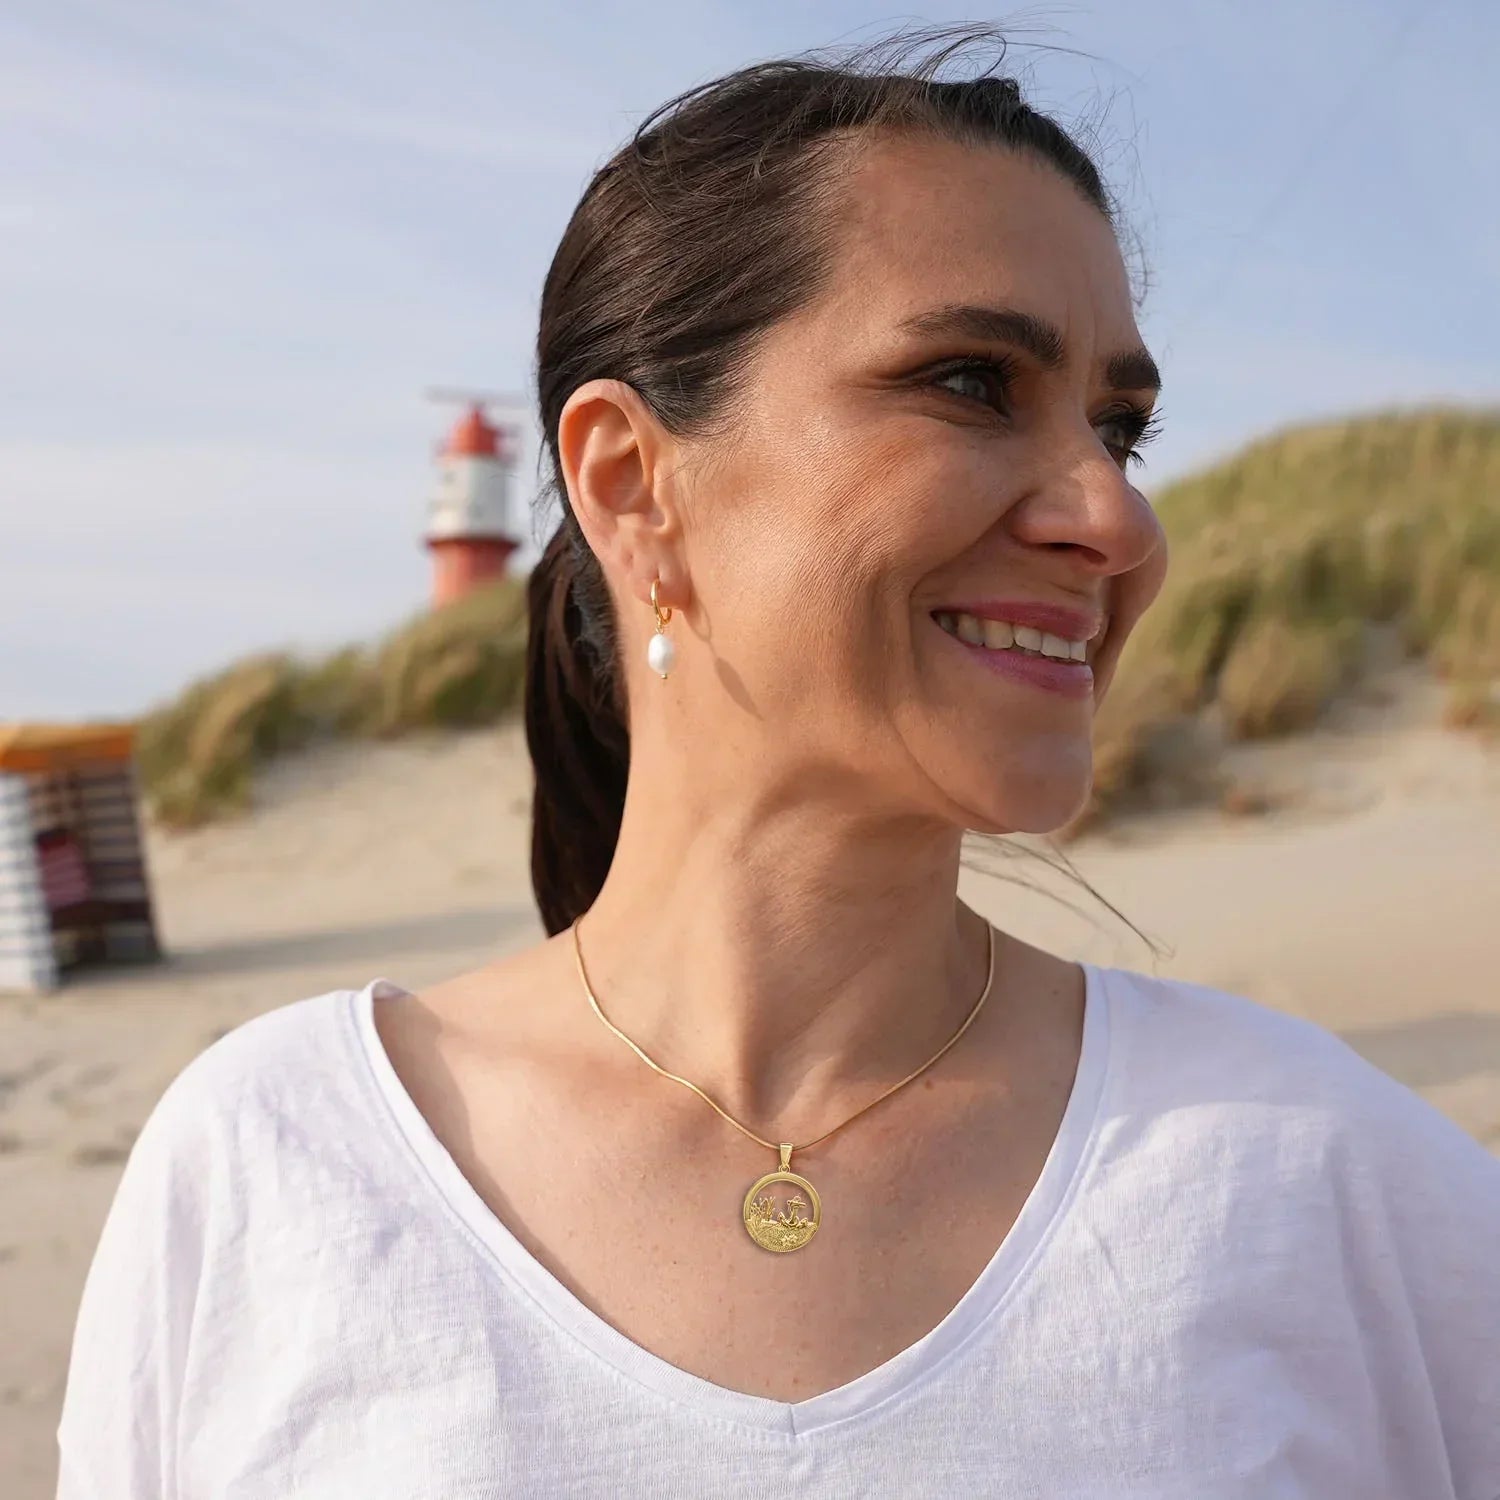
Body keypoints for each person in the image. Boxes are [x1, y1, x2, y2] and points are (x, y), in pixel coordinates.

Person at [56, 28, 1500, 1499]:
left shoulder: (1328, 1180)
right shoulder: (273, 1164)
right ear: (632, 486)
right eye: (971, 382)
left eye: (1120, 431)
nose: (1118, 524)